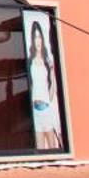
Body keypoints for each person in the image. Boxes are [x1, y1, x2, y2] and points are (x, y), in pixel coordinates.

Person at [28, 20, 64, 151]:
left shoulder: (47, 61)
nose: (38, 40)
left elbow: (51, 92)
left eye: (39, 37)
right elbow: (30, 87)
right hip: (35, 111)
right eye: (35, 37)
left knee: (53, 148)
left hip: (46, 110)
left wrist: (53, 73)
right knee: (40, 150)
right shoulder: (30, 61)